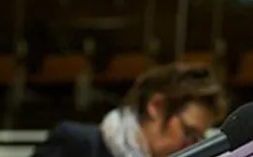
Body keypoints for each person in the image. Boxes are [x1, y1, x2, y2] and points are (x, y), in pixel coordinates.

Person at [30, 62, 228, 157]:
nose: (192, 146)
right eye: (189, 133)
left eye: (199, 139)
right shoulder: (75, 145)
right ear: (156, 106)